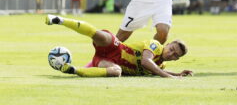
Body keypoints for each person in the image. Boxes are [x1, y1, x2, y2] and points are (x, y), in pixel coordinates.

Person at [45, 14, 193, 78]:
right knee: (100, 36)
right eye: (171, 49)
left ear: (176, 59)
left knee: (116, 72)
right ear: (167, 44)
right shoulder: (155, 46)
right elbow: (146, 61)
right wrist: (168, 76)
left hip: (109, 62)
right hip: (116, 48)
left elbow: (157, 70)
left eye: (175, 55)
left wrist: (177, 74)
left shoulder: (162, 66)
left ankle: (73, 70)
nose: (170, 53)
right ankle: (59, 20)